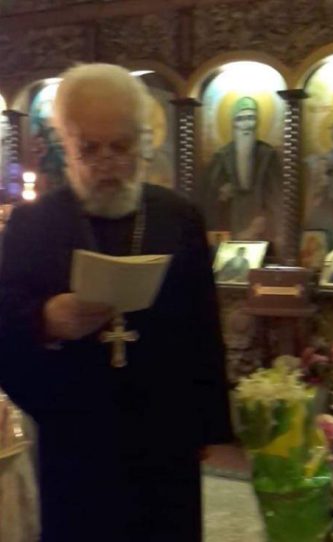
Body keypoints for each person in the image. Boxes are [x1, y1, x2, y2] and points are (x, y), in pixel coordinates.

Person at [0, 63, 232, 542]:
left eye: (120, 146)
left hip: (165, 435)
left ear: (144, 143)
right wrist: (44, 321)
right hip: (75, 437)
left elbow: (203, 325)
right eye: (89, 148)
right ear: (66, 146)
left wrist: (208, 425)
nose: (105, 161)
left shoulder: (179, 218)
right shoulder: (32, 226)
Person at [201, 96, 282, 247]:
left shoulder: (268, 155)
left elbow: (278, 196)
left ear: (257, 121)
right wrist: (221, 193)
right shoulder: (221, 156)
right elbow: (209, 196)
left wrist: (267, 219)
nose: (246, 125)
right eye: (240, 119)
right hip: (231, 219)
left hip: (261, 222)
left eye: (251, 118)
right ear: (233, 123)